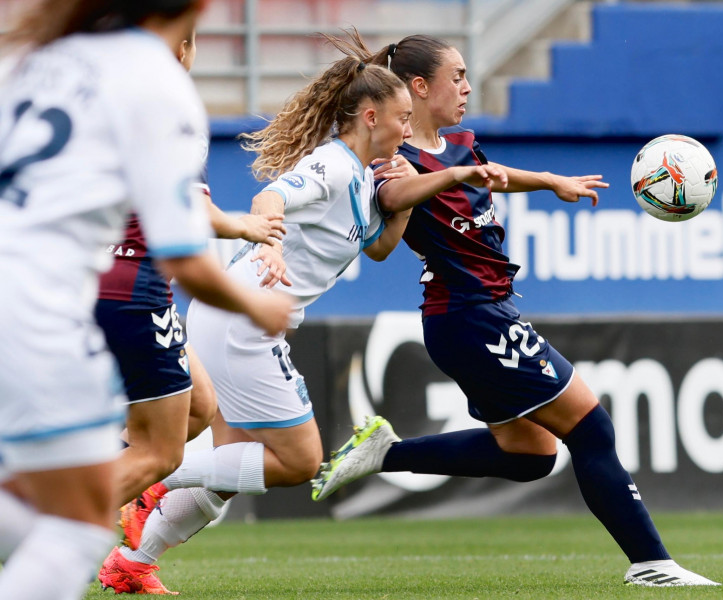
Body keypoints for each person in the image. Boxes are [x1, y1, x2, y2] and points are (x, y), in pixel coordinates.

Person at [97, 29, 508, 595]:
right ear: (369, 117)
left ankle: (132, 562)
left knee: (233, 467)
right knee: (296, 461)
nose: (409, 130)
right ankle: (153, 476)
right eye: (402, 118)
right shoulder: (334, 167)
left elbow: (381, 247)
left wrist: (411, 198)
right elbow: (271, 199)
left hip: (237, 319)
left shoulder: (365, 178)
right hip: (244, 318)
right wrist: (266, 242)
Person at [310, 34, 721, 588]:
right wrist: (428, 189)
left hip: (481, 313)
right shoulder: (397, 163)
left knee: (529, 455)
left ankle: (387, 454)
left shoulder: (456, 144)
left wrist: (550, 181)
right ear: (419, 87)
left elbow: (489, 171)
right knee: (592, 429)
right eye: (456, 76)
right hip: (470, 316)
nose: (467, 86)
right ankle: (653, 564)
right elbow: (387, 211)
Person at [0, 1, 293, 599]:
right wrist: (255, 306)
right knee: (79, 513)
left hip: (37, 285)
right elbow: (182, 250)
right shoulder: (156, 85)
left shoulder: (40, 60)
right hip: (86, 295)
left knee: (197, 406)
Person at [93, 27, 287, 538]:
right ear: (183, 47)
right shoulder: (171, 106)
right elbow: (192, 212)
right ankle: (42, 523)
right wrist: (245, 225)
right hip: (135, 282)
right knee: (161, 451)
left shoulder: (100, 98)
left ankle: (95, 478)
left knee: (200, 405)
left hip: (81, 275)